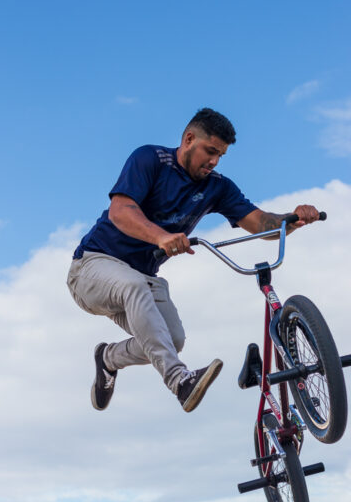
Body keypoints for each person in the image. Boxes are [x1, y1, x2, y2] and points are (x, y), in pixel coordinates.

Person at [67, 108, 319, 413]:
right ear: (189, 139)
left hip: (140, 278)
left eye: (220, 156)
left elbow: (261, 222)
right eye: (210, 151)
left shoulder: (217, 187)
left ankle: (108, 359)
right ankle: (180, 381)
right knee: (135, 288)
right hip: (92, 268)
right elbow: (120, 211)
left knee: (171, 340)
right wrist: (160, 236)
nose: (213, 161)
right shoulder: (150, 160)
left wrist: (292, 220)